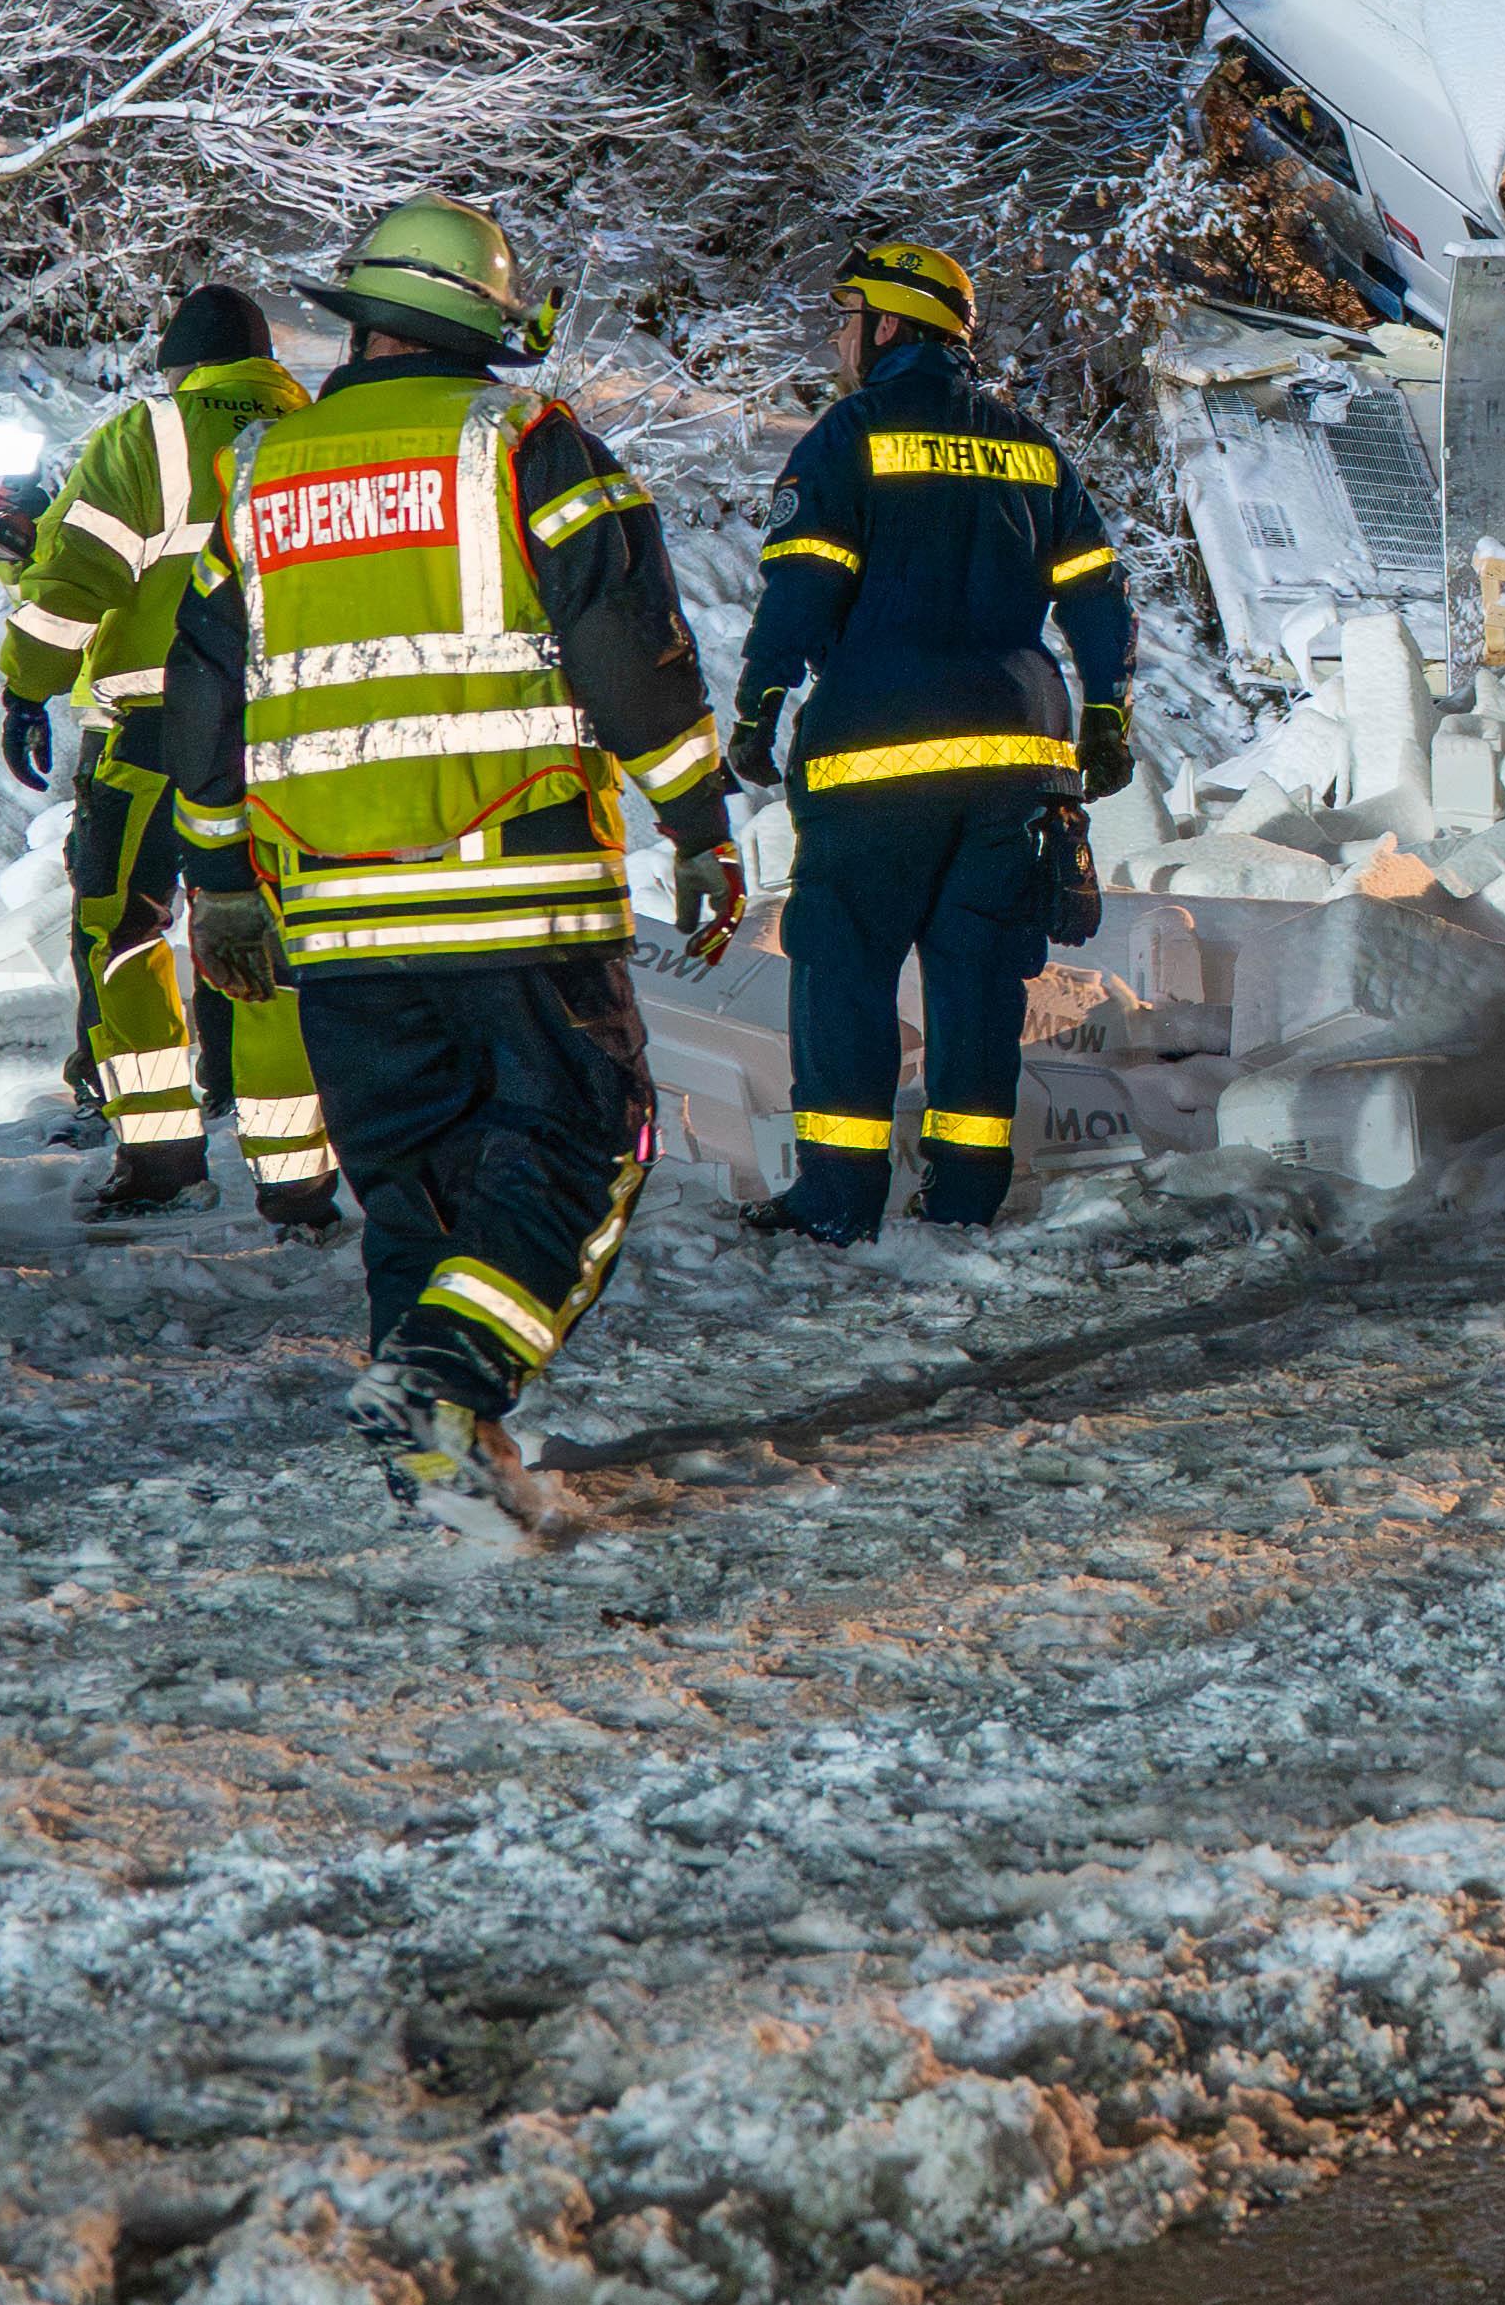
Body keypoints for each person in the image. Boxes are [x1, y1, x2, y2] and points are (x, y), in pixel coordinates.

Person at [147, 199, 742, 1523]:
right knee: (588, 1137)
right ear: (488, 320)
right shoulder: (522, 445)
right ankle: (446, 1380)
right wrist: (699, 826)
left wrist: (223, 882)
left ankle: (431, 1447)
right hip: (517, 890)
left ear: (364, 315)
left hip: (341, 915)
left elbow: (202, 690)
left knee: (413, 1182)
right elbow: (624, 644)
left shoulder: (264, 471)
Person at [724, 237, 1136, 1243]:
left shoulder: (850, 435)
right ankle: (962, 1196)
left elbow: (804, 586)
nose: (839, 337)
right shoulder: (1030, 447)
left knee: (845, 965)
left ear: (892, 326)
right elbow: (1097, 594)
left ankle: (836, 1198)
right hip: (1019, 756)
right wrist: (1107, 712)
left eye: (848, 315)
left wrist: (758, 704)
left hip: (880, 752)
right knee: (980, 975)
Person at [0, 283, 334, 1230]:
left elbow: (71, 586)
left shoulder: (152, 434)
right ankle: (297, 1177)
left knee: (123, 934)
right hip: (285, 737)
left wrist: (28, 685)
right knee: (268, 946)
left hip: (150, 731)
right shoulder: (326, 431)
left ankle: (160, 1158)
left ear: (179, 365)